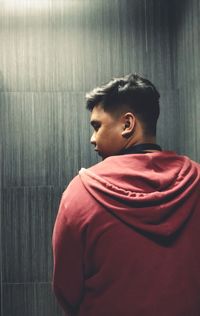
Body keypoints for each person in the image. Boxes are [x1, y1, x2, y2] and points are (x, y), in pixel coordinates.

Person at [52, 74, 200, 316]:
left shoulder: (80, 193)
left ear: (127, 125)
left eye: (97, 126)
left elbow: (66, 291)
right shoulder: (197, 180)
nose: (93, 139)